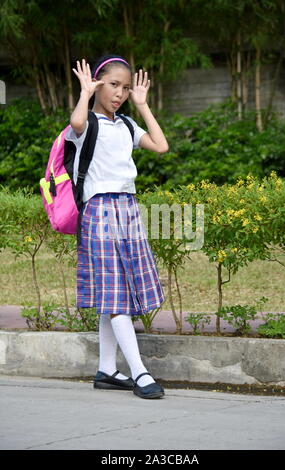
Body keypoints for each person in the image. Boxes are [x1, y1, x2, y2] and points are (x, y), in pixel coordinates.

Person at [67, 55, 169, 399]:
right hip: (100, 211)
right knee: (116, 295)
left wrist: (142, 105)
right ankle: (139, 372)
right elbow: (77, 122)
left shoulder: (126, 125)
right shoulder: (87, 125)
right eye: (113, 85)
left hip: (127, 209)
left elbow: (161, 146)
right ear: (98, 83)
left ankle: (107, 368)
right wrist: (84, 93)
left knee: (116, 292)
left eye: (125, 88)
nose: (120, 93)